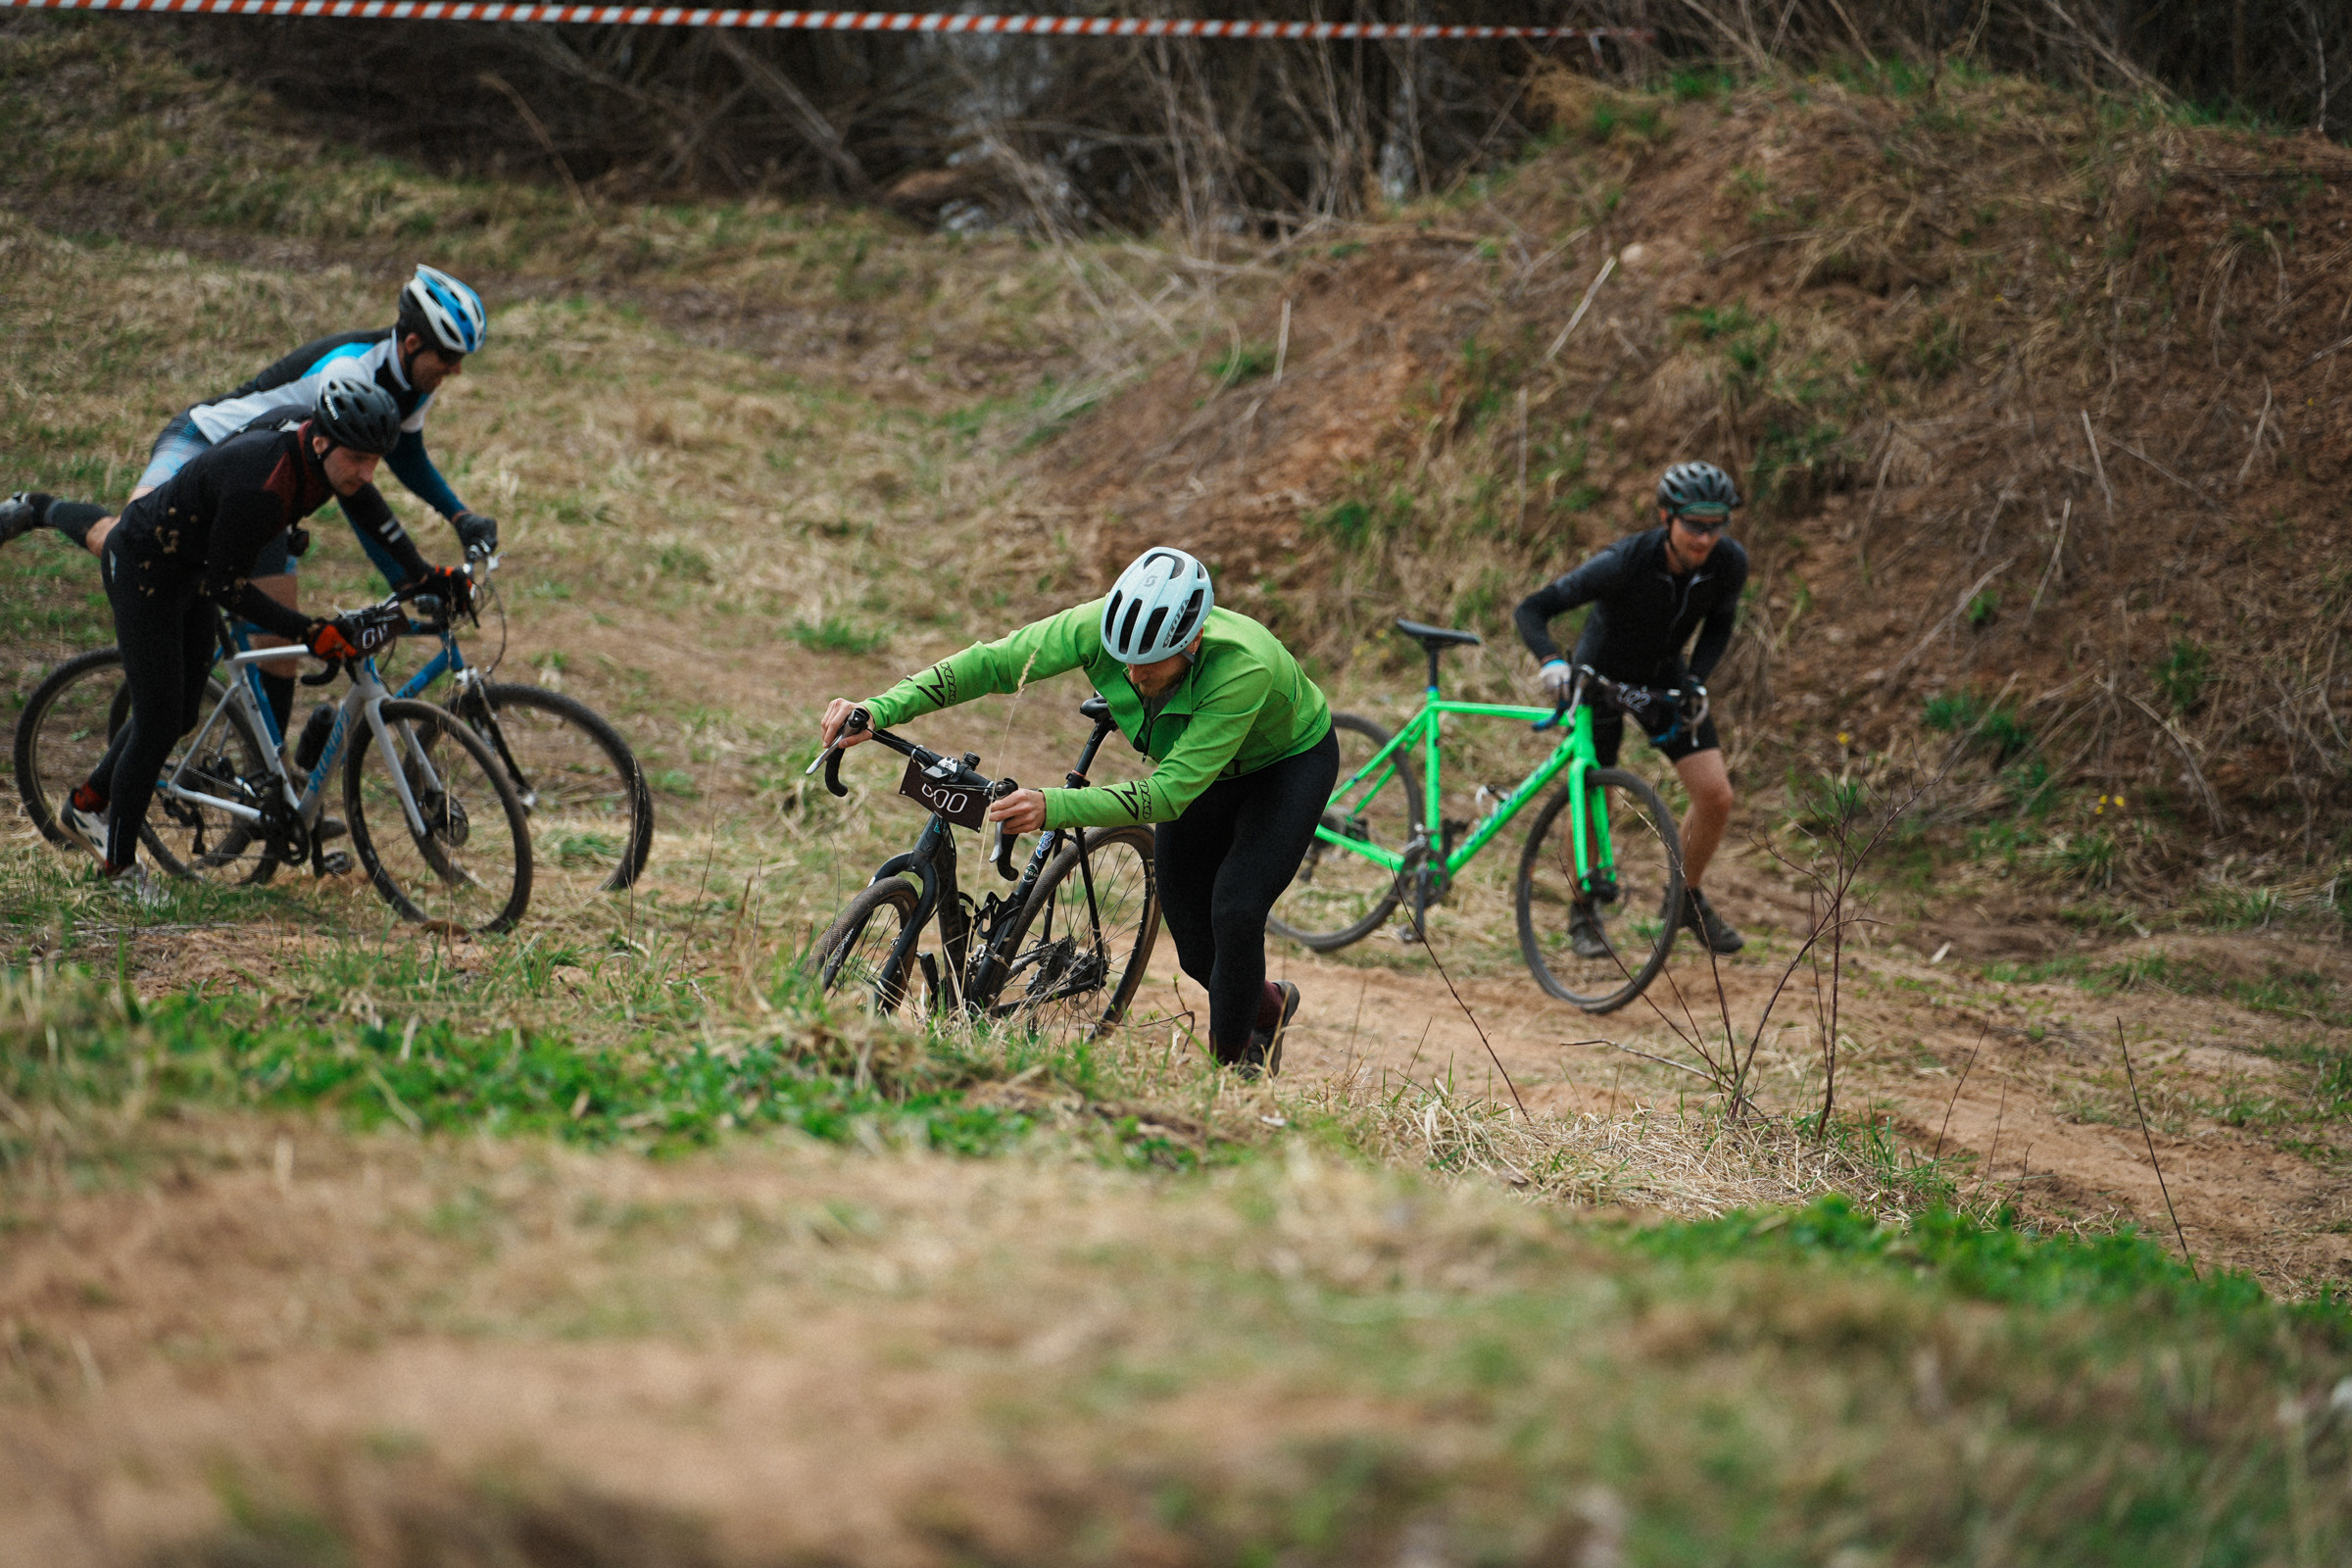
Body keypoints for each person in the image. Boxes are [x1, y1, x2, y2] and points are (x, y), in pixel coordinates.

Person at [817, 547, 1337, 1077]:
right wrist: (880, 708)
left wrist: (1053, 806)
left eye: (1151, 661)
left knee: (1236, 910)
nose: (1133, 673)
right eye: (1123, 657)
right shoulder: (1094, 626)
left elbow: (1168, 794)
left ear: (1194, 640)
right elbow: (994, 663)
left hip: (1283, 768)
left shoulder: (1242, 665)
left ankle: (1232, 1076)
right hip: (1199, 767)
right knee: (1198, 953)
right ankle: (1270, 1004)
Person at [0, 264, 496, 745]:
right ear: (412, 343)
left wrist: (460, 516)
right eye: (450, 356)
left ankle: (272, 778)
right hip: (205, 442)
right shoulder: (350, 370)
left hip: (265, 490)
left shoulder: (415, 382)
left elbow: (409, 458)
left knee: (279, 642)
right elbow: (354, 492)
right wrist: (409, 576)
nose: (456, 369)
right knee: (127, 538)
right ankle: (41, 509)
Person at [50, 379, 472, 897]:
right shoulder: (263, 486)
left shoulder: (327, 454)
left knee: (181, 717)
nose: (367, 473)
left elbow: (374, 514)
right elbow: (230, 588)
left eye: (375, 461)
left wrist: (427, 577)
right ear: (322, 442)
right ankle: (118, 870)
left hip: (191, 568)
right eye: (359, 459)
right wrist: (310, 631)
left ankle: (87, 803)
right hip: (144, 566)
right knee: (158, 723)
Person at [1513, 461, 1749, 956]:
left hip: (1665, 677)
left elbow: (1720, 623)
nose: (1705, 539)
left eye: (1716, 526)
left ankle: (1684, 900)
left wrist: (1696, 679)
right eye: (1694, 525)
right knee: (1592, 793)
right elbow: (1532, 608)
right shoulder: (1622, 562)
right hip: (1600, 676)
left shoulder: (1728, 563)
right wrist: (1552, 661)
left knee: (1715, 795)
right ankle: (1582, 911)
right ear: (1666, 517)